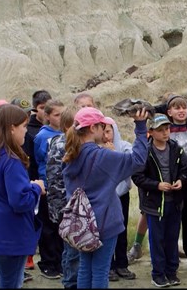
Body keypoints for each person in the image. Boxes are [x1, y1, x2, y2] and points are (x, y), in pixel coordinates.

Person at [62, 107, 149, 288]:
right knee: (101, 271)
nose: (105, 130)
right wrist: (141, 128)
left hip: (81, 225)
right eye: (103, 126)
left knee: (85, 268)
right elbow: (139, 160)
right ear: (93, 128)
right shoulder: (103, 156)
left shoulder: (71, 154)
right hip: (105, 224)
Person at [128, 93, 187, 268]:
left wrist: (186, 102)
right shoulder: (162, 127)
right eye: (176, 107)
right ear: (169, 112)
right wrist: (166, 106)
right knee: (167, 225)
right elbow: (149, 111)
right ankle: (165, 262)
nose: (181, 111)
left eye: (184, 108)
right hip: (164, 183)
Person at [0, 104, 46, 289]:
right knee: (11, 282)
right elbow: (20, 201)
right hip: (11, 233)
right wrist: (36, 188)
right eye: (23, 126)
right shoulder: (11, 161)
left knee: (5, 280)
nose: (26, 131)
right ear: (11, 128)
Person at [132, 113, 187, 288]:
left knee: (172, 238)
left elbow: (186, 168)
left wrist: (181, 180)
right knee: (157, 240)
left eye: (167, 129)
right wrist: (157, 185)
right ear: (151, 132)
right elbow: (137, 177)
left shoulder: (176, 148)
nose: (165, 133)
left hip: (175, 201)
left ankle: (172, 272)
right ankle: (158, 274)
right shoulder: (146, 151)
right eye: (160, 130)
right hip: (154, 204)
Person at [45, 105, 79, 289]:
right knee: (72, 250)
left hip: (64, 204)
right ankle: (70, 282)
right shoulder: (64, 144)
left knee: (70, 248)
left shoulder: (58, 141)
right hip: (67, 205)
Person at [34, 99, 66, 280]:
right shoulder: (42, 136)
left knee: (61, 226)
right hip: (47, 186)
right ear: (47, 116)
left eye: (63, 114)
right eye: (56, 115)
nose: (60, 118)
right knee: (48, 226)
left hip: (63, 187)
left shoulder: (65, 133)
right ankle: (47, 262)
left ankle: (60, 260)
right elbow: (40, 159)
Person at [103, 116, 137, 282]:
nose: (106, 135)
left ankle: (122, 264)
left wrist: (113, 154)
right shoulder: (96, 148)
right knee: (106, 231)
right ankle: (108, 266)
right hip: (105, 197)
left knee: (121, 229)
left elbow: (129, 165)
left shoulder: (124, 146)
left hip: (122, 194)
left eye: (108, 131)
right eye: (103, 131)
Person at [25, 90, 52, 271]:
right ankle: (37, 259)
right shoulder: (30, 131)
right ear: (36, 109)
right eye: (42, 108)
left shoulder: (58, 130)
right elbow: (30, 161)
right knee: (37, 222)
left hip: (51, 184)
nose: (44, 112)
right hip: (35, 183)